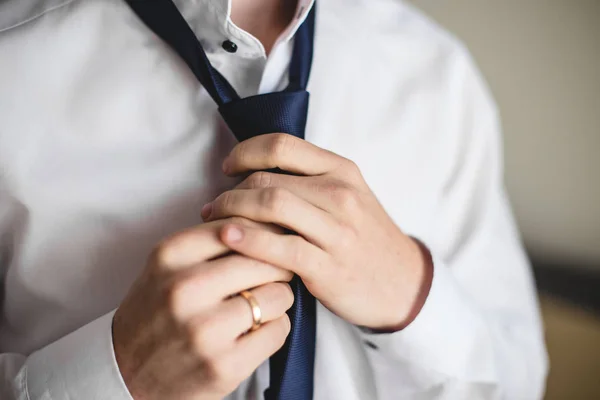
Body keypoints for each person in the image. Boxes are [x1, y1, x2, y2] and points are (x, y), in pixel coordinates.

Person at [0, 0, 548, 399]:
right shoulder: (14, 64)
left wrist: (412, 294)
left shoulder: (436, 75)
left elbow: (520, 379)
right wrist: (113, 379)